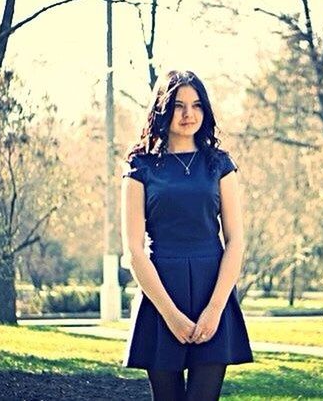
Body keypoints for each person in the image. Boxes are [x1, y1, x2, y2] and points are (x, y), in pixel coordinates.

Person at [120, 70, 253, 401]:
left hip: (213, 290)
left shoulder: (220, 165)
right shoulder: (140, 167)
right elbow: (134, 251)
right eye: (178, 106)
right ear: (162, 111)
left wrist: (215, 309)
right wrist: (171, 315)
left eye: (196, 105)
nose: (188, 114)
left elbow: (235, 241)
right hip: (160, 293)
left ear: (205, 111)